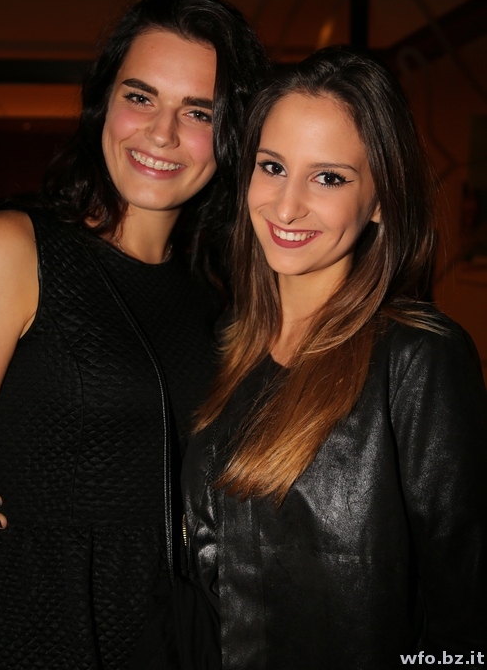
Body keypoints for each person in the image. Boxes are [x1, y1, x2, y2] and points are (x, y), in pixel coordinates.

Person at [0, 0, 268, 668]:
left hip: (173, 642)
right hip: (25, 639)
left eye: (198, 111)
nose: (162, 133)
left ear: (230, 135)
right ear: (104, 103)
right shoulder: (11, 251)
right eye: (140, 97)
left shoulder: (224, 297)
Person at [183, 46, 487, 669]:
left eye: (328, 178)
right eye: (273, 167)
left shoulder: (419, 360)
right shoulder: (220, 341)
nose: (286, 205)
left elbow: (468, 619)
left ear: (379, 201)